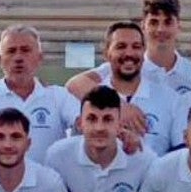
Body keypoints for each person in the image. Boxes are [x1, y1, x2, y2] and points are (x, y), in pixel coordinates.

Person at [0, 25, 80, 168]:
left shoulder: (59, 96)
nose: (18, 57)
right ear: (0, 60)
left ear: (39, 58)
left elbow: (83, 124)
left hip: (46, 187)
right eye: (11, 51)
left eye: (25, 50)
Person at [46, 86, 155, 192]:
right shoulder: (57, 155)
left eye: (108, 119)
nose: (99, 128)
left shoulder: (145, 159)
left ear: (120, 125)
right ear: (79, 123)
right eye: (91, 119)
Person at [73, 21, 183, 155]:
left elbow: (179, 154)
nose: (129, 53)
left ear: (144, 52)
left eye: (136, 47)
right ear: (106, 53)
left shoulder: (170, 100)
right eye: (121, 46)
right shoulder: (85, 98)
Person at [67, 0, 191, 96]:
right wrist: (119, 105)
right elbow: (74, 84)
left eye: (168, 22)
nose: (161, 29)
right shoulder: (127, 66)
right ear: (143, 26)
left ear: (179, 26)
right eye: (154, 22)